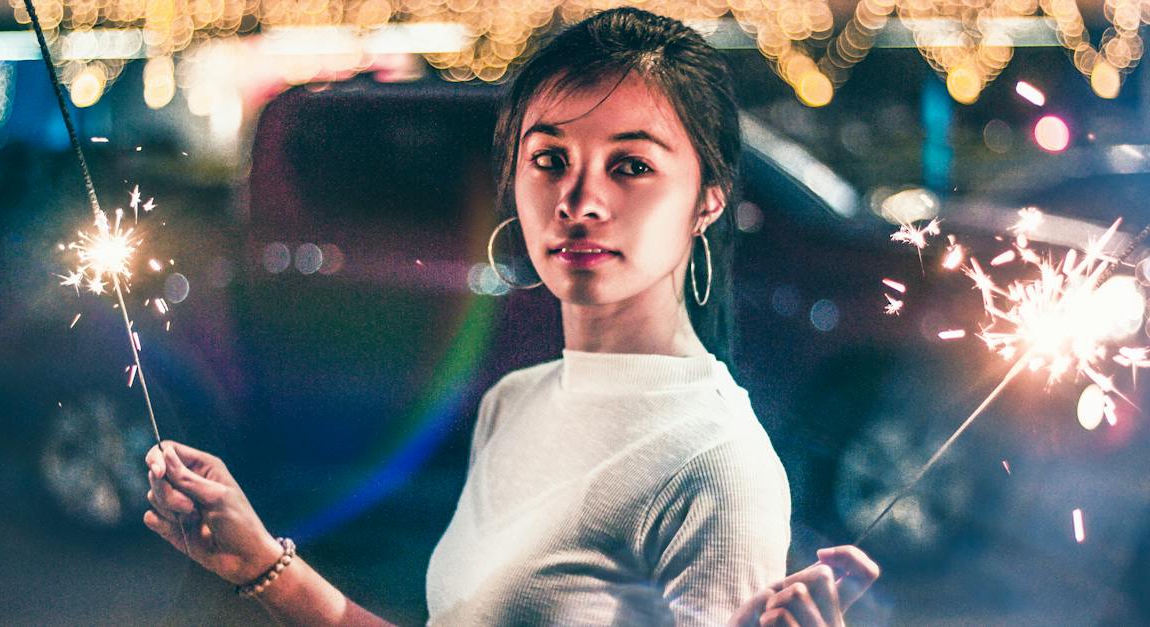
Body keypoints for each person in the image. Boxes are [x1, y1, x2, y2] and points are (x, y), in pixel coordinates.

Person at [145, 7, 879, 626]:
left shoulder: (712, 466)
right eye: (549, 158)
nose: (579, 199)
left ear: (708, 199)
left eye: (630, 165)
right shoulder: (514, 399)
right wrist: (262, 564)